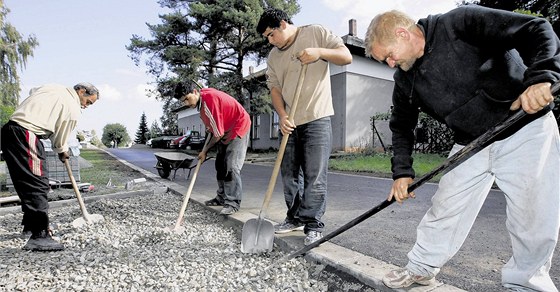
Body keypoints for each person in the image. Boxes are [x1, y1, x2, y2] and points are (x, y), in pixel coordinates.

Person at [364, 5, 560, 291]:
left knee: (533, 214)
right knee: (445, 207)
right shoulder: (405, 79)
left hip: (523, 127)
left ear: (403, 33)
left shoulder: (459, 23)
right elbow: (401, 125)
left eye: (389, 56)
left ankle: (527, 283)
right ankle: (421, 268)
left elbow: (536, 29)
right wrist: (401, 172)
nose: (390, 64)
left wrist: (542, 77)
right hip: (471, 143)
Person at [257, 8, 352, 246]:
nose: (270, 41)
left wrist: (319, 52)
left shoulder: (315, 33)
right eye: (267, 38)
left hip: (317, 118)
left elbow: (346, 56)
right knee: (289, 175)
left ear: (282, 24)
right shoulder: (273, 57)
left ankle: (313, 224)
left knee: (314, 176)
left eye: (270, 34)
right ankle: (295, 217)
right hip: (291, 122)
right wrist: (282, 115)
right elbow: (275, 89)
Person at [1, 82, 100, 251]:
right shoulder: (73, 108)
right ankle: (40, 235)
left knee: (24, 181)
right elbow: (61, 138)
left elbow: (33, 90)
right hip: (26, 133)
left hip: (9, 131)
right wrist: (62, 151)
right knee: (38, 182)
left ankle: (31, 225)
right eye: (88, 102)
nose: (86, 106)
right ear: (81, 91)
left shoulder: (53, 88)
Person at [176, 85, 251, 216]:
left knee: (231, 167)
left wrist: (205, 150)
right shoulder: (201, 105)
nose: (186, 103)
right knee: (220, 164)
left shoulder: (209, 102)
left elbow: (217, 134)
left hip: (238, 126)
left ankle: (232, 203)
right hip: (225, 129)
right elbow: (212, 130)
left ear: (194, 91)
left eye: (187, 99)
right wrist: (204, 150)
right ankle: (221, 197)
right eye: (183, 101)